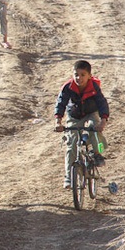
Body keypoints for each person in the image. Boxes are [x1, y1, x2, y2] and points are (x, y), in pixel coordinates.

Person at [54, 60, 109, 189]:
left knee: (95, 130)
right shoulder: (68, 87)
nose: (79, 78)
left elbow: (102, 103)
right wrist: (58, 121)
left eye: (83, 74)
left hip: (91, 113)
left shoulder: (94, 87)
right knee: (71, 144)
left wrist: (103, 120)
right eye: (76, 74)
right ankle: (68, 177)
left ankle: (97, 153)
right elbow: (61, 103)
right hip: (74, 115)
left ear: (89, 75)